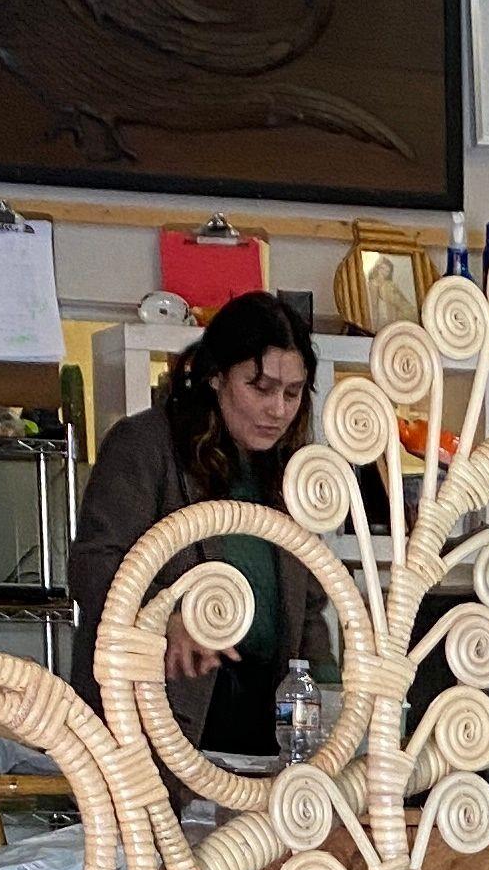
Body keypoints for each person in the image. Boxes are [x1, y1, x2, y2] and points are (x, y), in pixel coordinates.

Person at [68, 289, 325, 753]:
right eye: (260, 388)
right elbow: (93, 563)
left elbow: (308, 606)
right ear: (214, 377)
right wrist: (163, 617)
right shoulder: (145, 446)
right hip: (156, 716)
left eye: (292, 393)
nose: (279, 410)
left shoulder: (293, 473)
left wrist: (327, 703)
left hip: (264, 718)